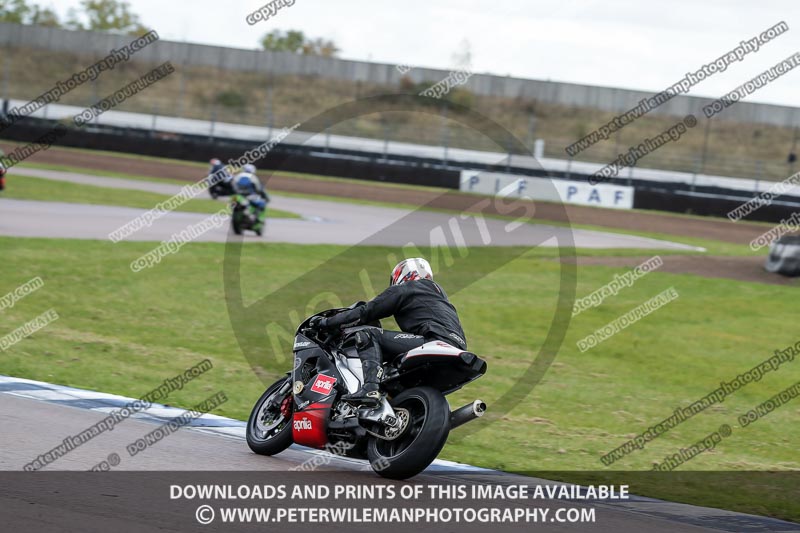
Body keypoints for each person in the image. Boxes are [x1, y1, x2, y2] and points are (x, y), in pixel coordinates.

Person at [313, 258, 467, 405]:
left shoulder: (407, 288)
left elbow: (367, 311)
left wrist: (326, 322)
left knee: (368, 334)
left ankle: (370, 389)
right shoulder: (441, 298)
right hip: (457, 349)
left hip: (434, 341)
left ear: (402, 275)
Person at [233, 163, 269, 229]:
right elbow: (258, 188)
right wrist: (265, 197)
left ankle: (251, 216)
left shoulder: (238, 175)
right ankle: (259, 219)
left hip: (238, 195)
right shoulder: (253, 177)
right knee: (261, 203)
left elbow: (233, 185)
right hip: (250, 196)